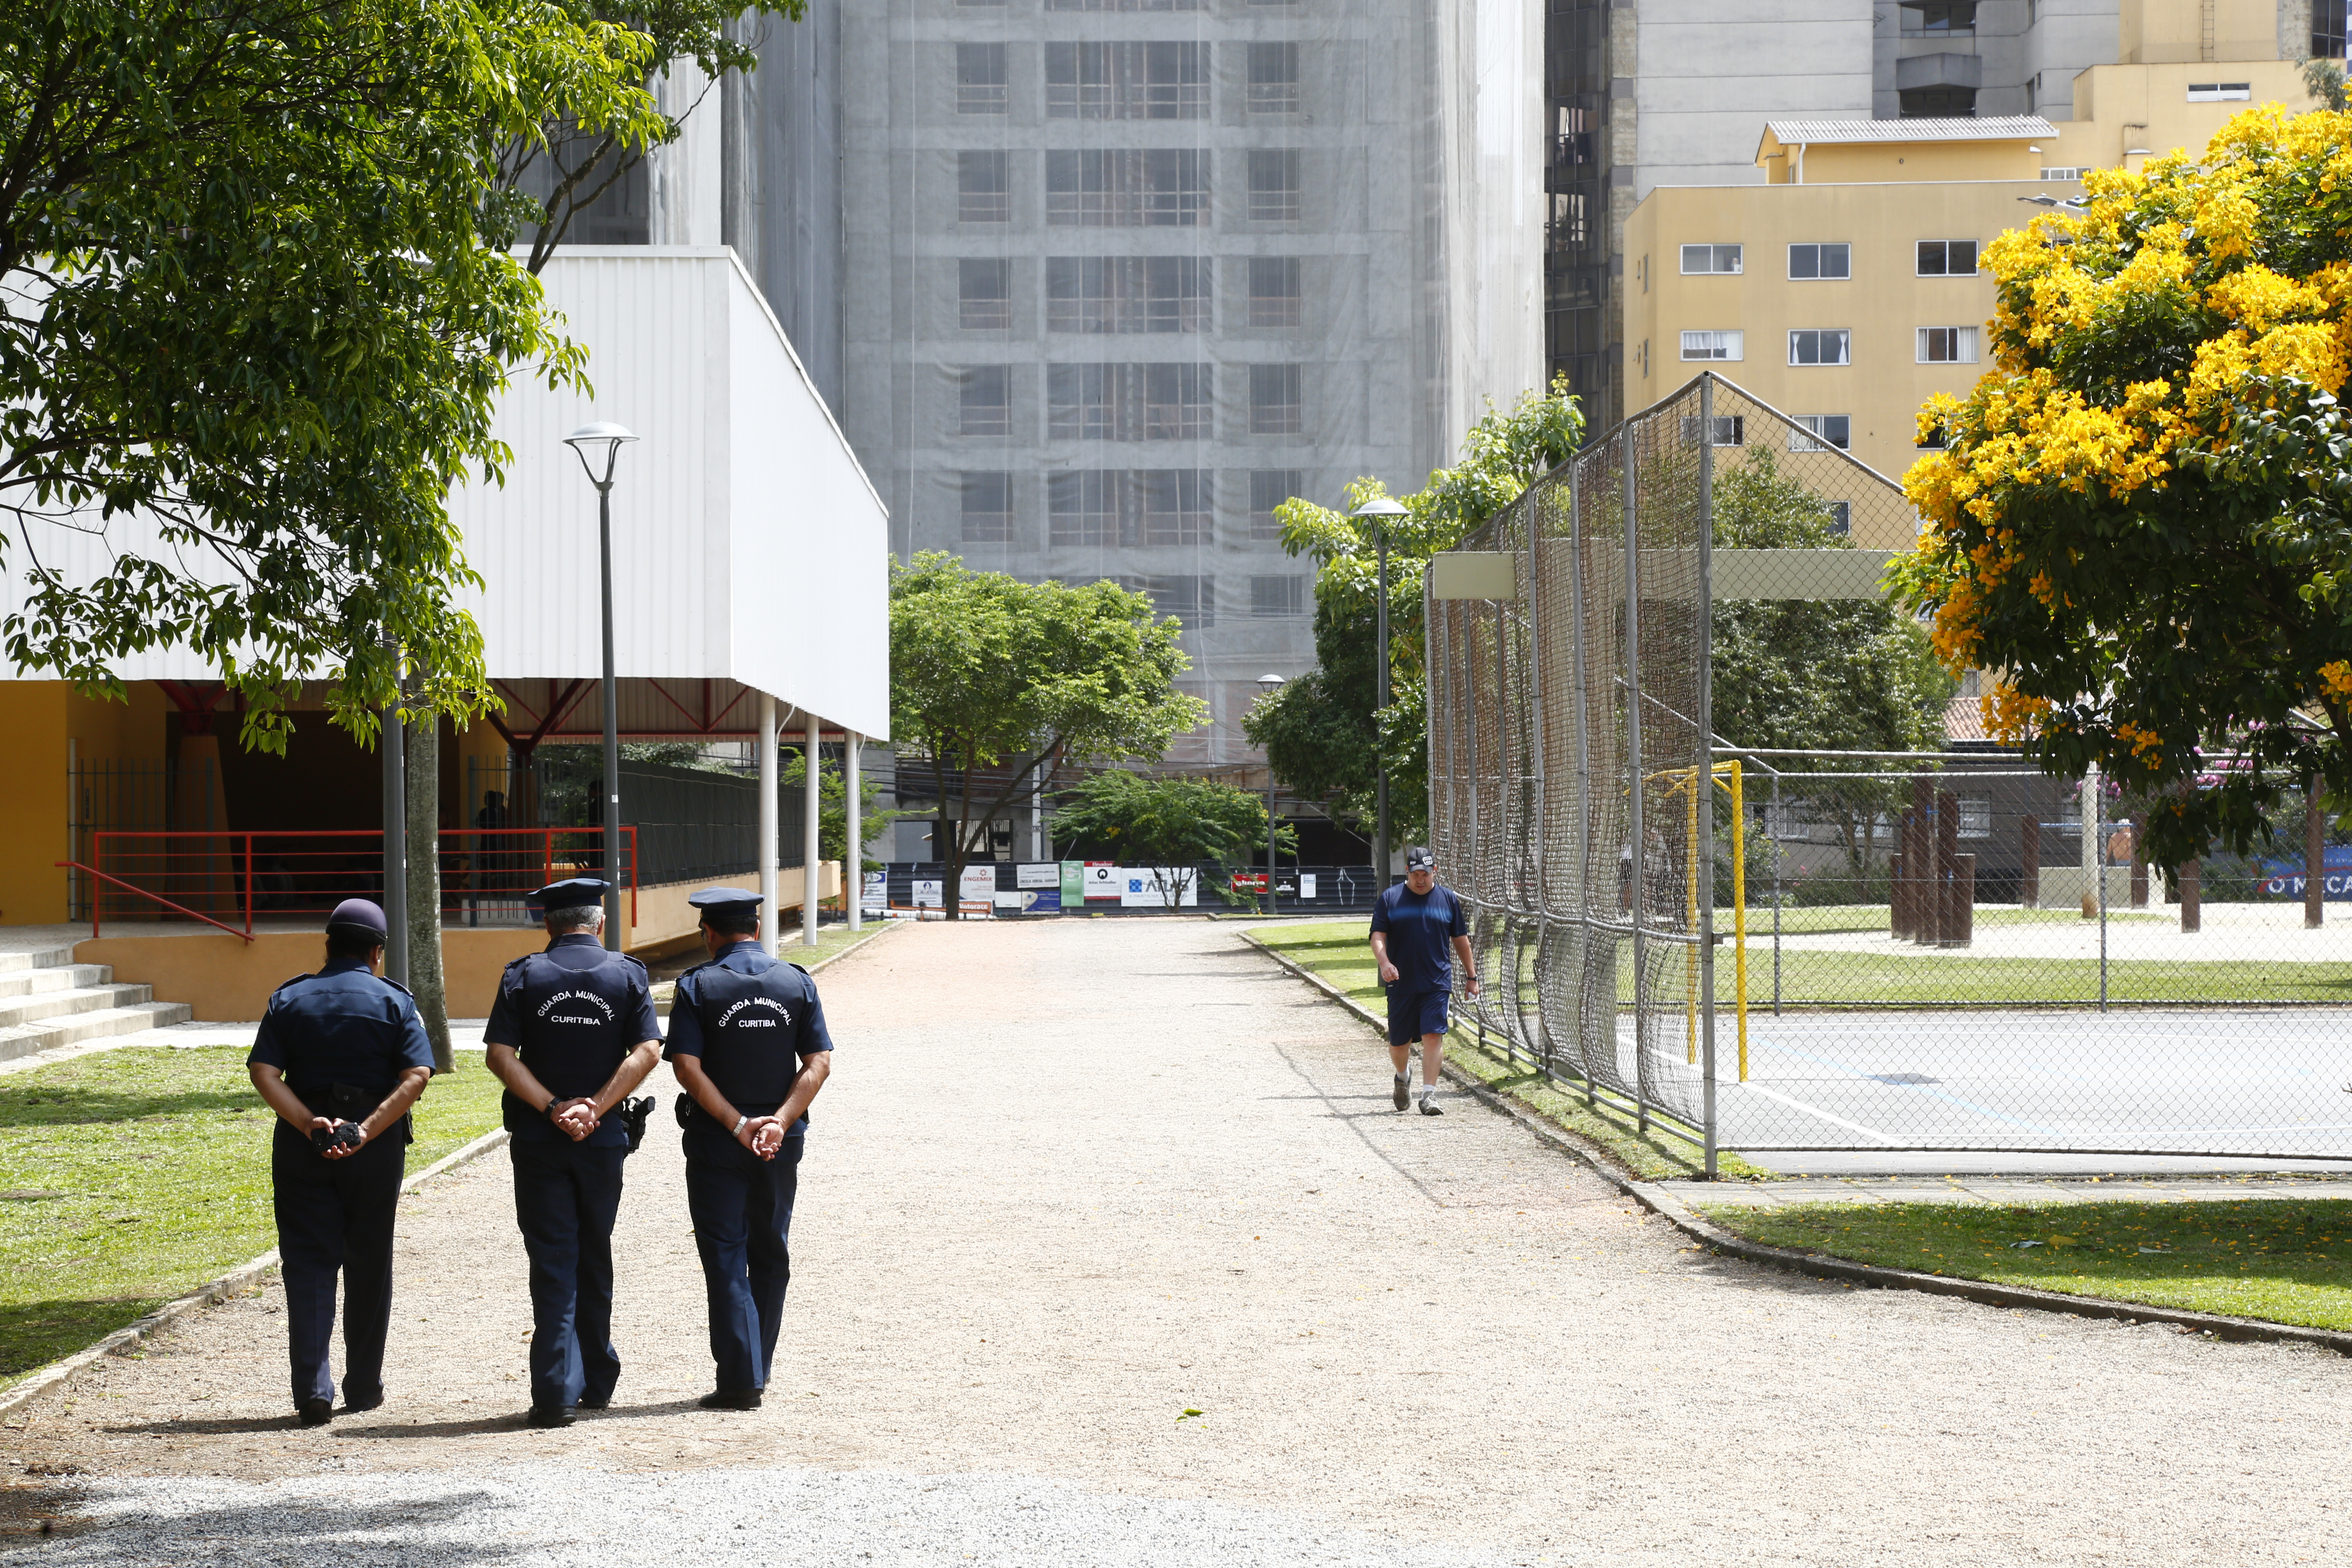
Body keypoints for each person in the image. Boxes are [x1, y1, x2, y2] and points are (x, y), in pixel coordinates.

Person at [245, 899, 435, 1427]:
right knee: (370, 1262)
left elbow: (264, 1072)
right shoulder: (395, 1001)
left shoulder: (290, 998)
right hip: (374, 1154)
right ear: (377, 953)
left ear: (328, 946)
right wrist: (367, 1131)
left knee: (307, 1263)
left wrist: (310, 1123)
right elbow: (417, 1074)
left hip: (304, 1151)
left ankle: (313, 1390)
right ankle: (364, 1386)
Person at [482, 877, 662, 1428]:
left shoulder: (523, 976)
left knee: (553, 1259)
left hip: (540, 1141)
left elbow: (499, 1056)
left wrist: (553, 1107)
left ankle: (557, 1389)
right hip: (603, 1142)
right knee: (594, 1249)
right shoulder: (627, 974)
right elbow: (649, 1050)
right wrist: (598, 1108)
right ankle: (598, 1379)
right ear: (600, 923)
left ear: (548, 924)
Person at [665, 887, 835, 1410]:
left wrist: (739, 1124)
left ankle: (740, 1378)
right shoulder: (796, 981)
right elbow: (819, 1062)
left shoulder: (697, 986)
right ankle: (756, 1369)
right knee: (770, 1249)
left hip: (718, 1141)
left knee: (724, 1253)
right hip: (780, 1145)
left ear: (709, 934)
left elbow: (686, 1067)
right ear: (757, 929)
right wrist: (778, 1123)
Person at [1368, 846, 1478, 1116]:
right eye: (1416, 874)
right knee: (1399, 1043)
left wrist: (1471, 976)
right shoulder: (1390, 899)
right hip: (1401, 981)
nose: (1421, 880)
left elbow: (1461, 940)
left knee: (1433, 1035)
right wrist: (1384, 963)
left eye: (1426, 875)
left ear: (1434, 872)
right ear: (1407, 872)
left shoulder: (1448, 900)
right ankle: (1403, 1076)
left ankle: (1429, 1095)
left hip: (1436, 981)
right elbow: (1378, 936)